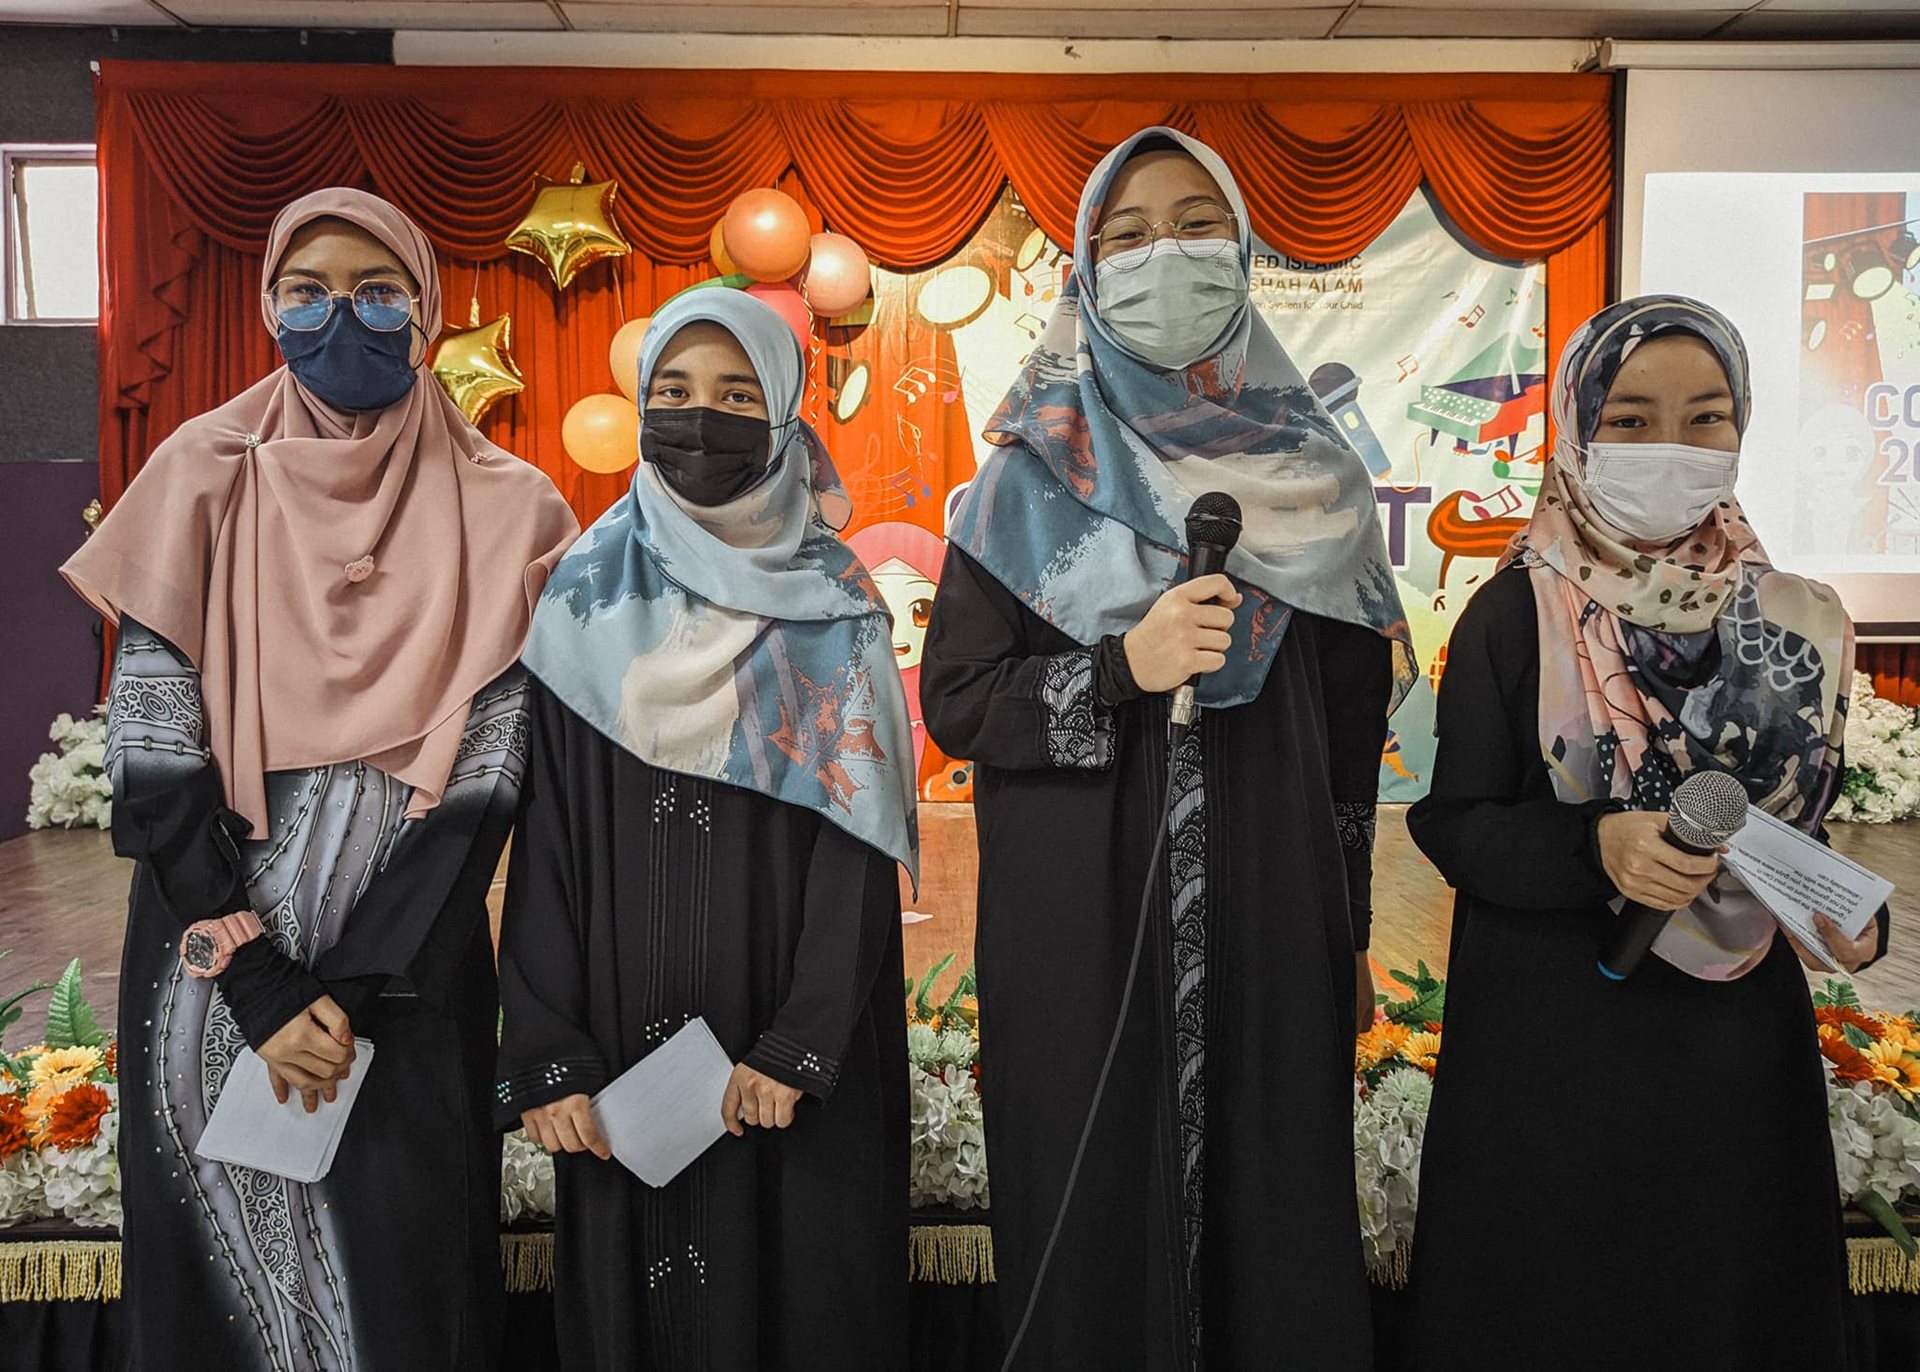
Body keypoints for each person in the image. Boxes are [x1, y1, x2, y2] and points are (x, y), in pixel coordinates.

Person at [920, 127, 1413, 1369]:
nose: (1165, 256)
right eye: (1128, 237)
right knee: (1090, 1207)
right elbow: (960, 701)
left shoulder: (1322, 484)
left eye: (1197, 226)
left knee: (1272, 1205)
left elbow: (1349, 744)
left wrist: (1350, 929)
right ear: (1086, 274)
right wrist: (1116, 669)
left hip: (1274, 911)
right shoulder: (1023, 482)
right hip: (1077, 919)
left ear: (1243, 251)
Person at [61, 188, 579, 1370]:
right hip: (210, 960)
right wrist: (258, 985)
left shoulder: (514, 510)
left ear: (428, 314)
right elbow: (153, 754)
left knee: (407, 1269)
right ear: (268, 309)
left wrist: (341, 992)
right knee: (213, 1292)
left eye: (376, 292)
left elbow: (487, 783)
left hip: (409, 977)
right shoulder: (201, 472)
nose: (340, 317)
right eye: (307, 293)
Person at [1406, 295, 1884, 1368]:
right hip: (1556, 1042)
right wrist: (1597, 848)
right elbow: (1454, 822)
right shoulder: (1514, 612)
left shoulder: (1800, 621)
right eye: (1630, 420)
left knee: (1725, 1301)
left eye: (1706, 416)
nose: (1673, 444)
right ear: (1579, 429)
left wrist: (1850, 920)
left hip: (1733, 1048)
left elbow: (1795, 824)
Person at [495, 290, 918, 1371]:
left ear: (782, 413)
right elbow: (546, 838)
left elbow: (860, 847)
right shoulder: (582, 595)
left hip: (781, 1054)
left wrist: (799, 1043)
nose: (701, 418)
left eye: (736, 395)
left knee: (802, 1295)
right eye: (675, 392)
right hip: (617, 1039)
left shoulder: (837, 605)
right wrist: (547, 1046)